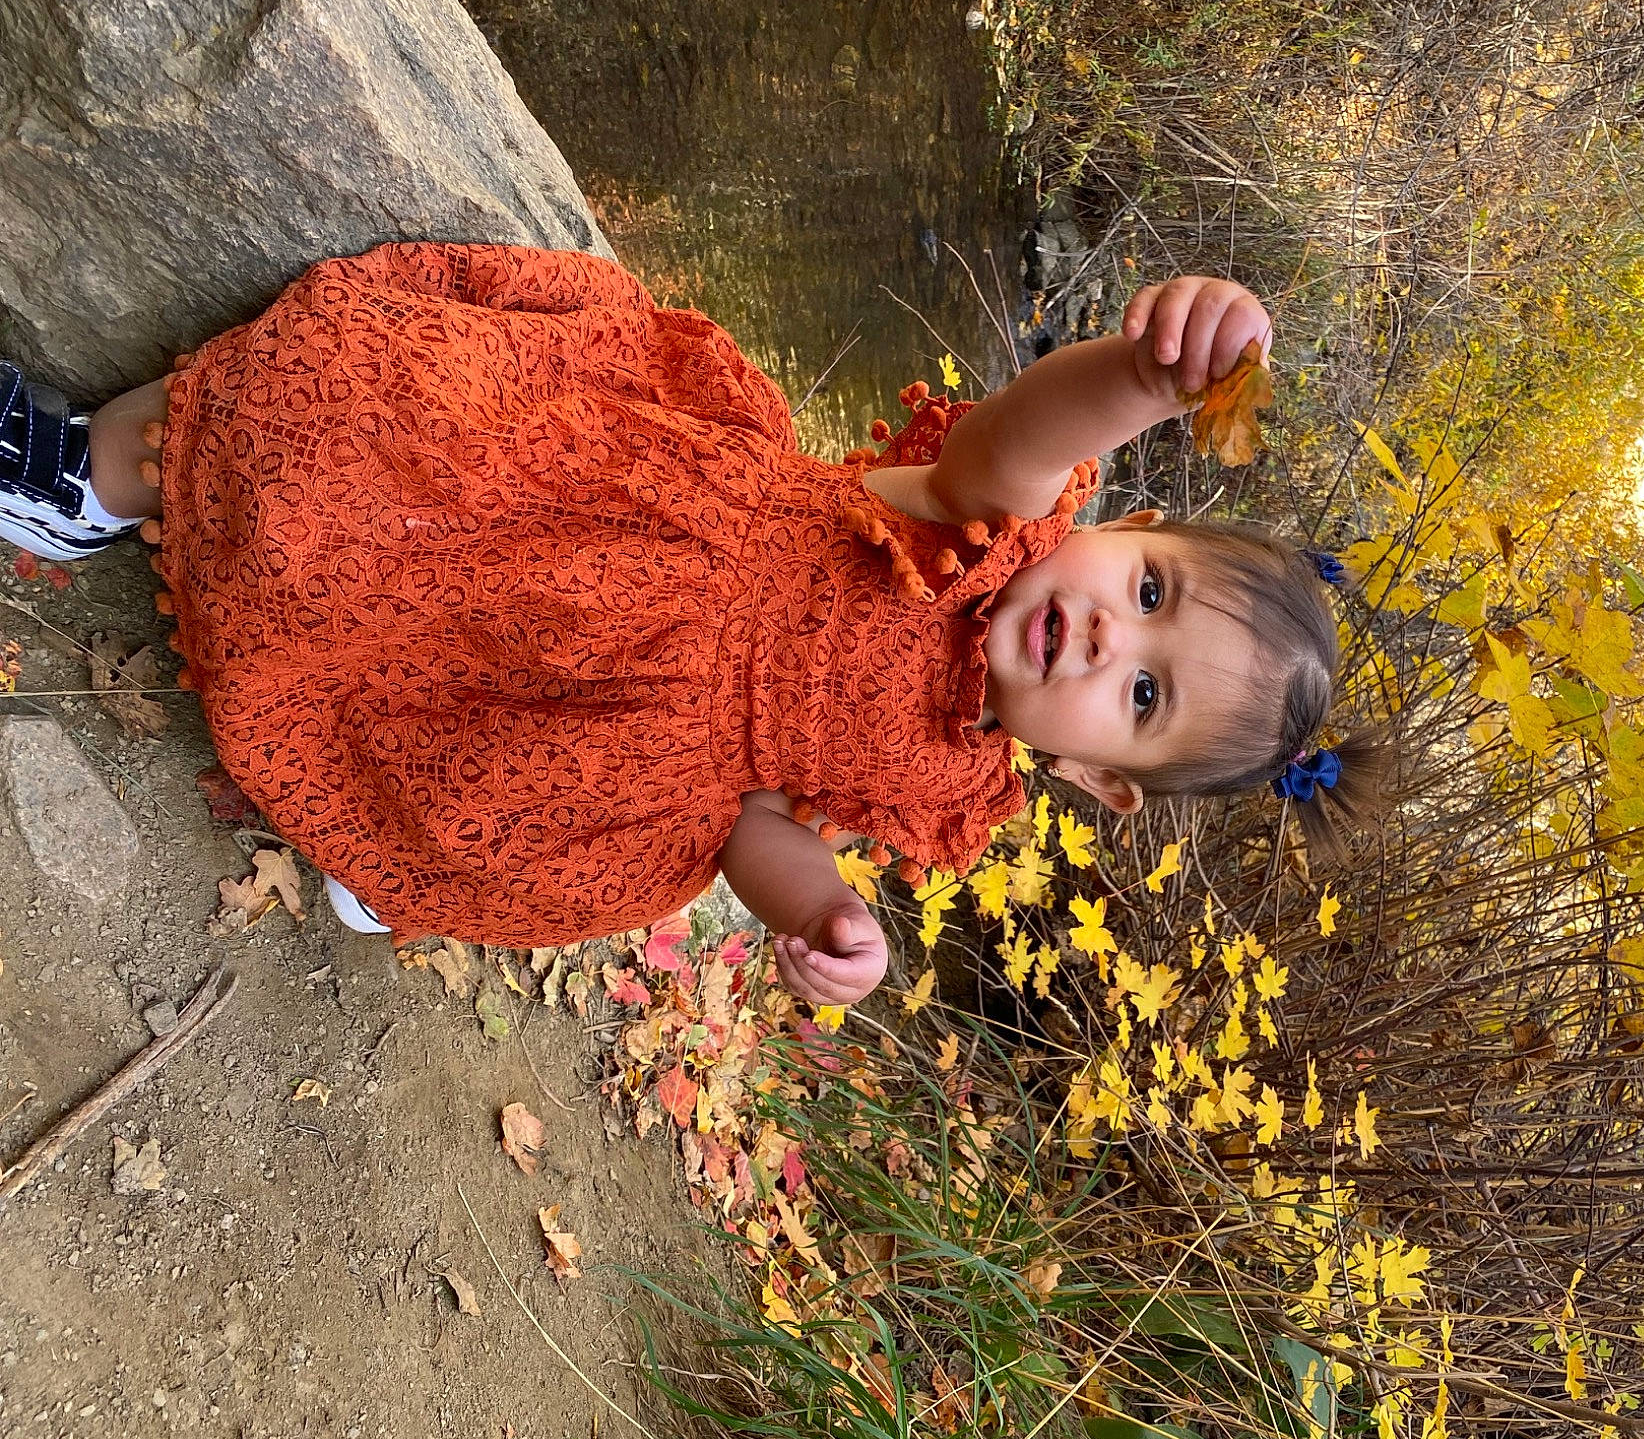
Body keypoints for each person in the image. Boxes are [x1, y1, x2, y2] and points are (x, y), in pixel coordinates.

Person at [0, 243, 1380, 1004]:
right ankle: (89, 480)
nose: (1105, 643)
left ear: (1092, 775)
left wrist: (825, 911)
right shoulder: (978, 527)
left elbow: (757, 826)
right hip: (591, 517)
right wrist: (1144, 374)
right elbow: (1023, 434)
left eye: (1143, 697)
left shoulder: (952, 779)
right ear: (1120, 529)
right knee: (354, 424)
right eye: (1146, 595)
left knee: (461, 794)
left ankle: (395, 843)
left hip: (600, 738)